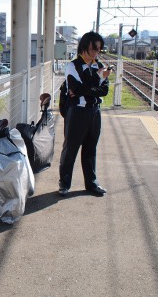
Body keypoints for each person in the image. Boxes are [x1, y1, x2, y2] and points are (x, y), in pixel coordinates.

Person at [58, 31, 111, 196]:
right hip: (77, 112)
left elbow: (104, 91)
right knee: (70, 150)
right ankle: (64, 183)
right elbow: (76, 89)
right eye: (93, 48)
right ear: (84, 47)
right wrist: (96, 80)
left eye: (99, 49)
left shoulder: (99, 65)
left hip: (95, 112)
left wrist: (86, 89)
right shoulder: (72, 66)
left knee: (90, 149)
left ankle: (91, 183)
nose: (96, 52)